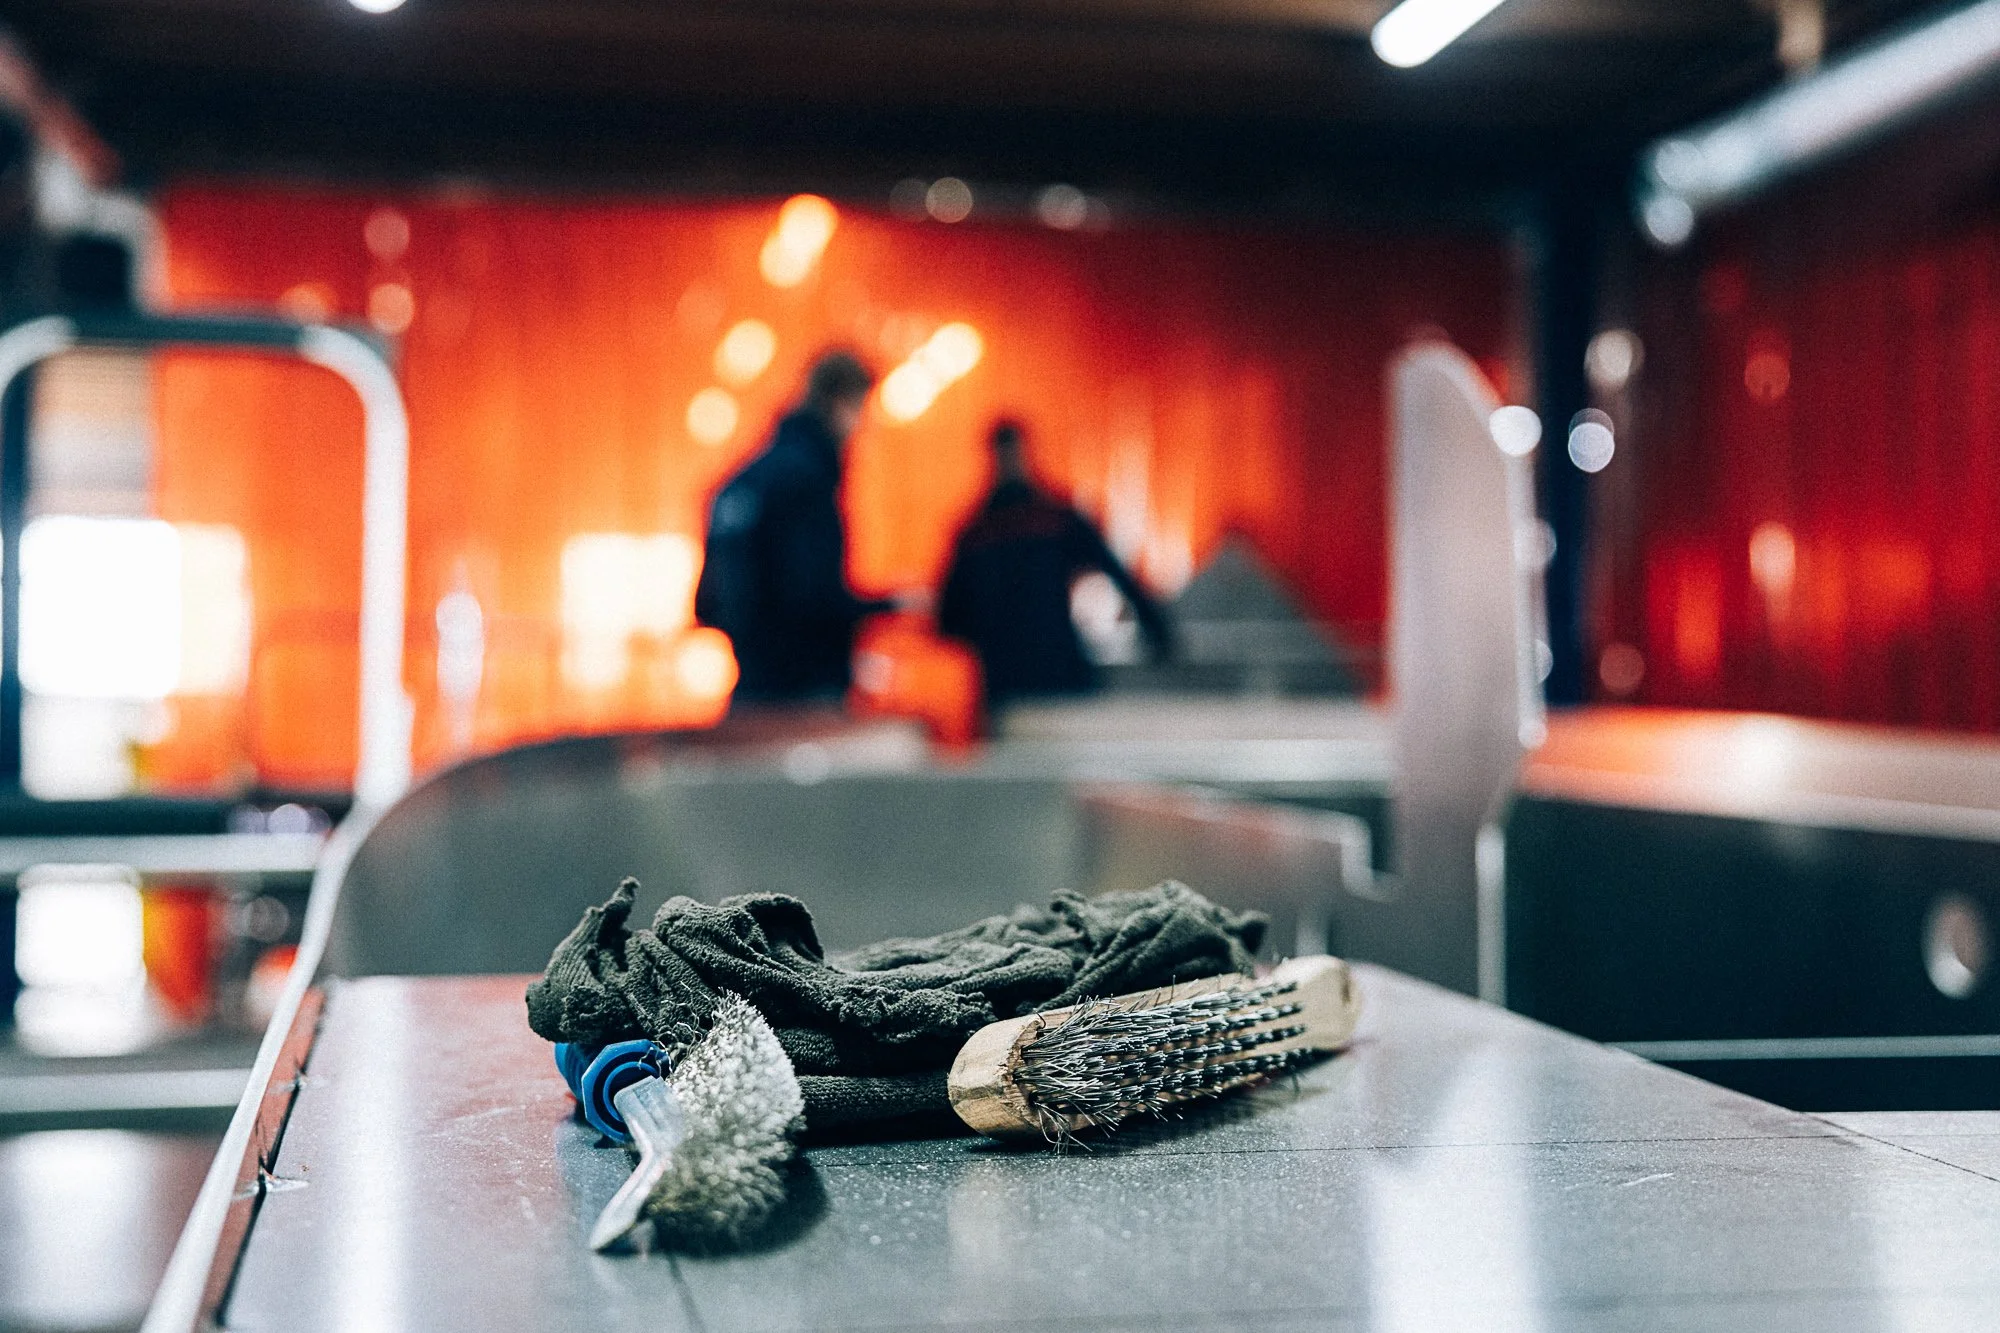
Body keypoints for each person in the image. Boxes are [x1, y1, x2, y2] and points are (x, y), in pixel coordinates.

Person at [695, 349, 894, 704]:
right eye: (860, 409)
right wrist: (890, 605)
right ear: (840, 402)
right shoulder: (807, 480)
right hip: (805, 691)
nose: (862, 425)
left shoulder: (744, 481)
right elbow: (809, 597)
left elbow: (707, 603)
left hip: (750, 688)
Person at [938, 419, 1172, 705]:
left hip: (1008, 678)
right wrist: (1158, 632)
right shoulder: (1051, 521)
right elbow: (1117, 572)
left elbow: (949, 620)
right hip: (1051, 669)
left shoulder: (979, 532)